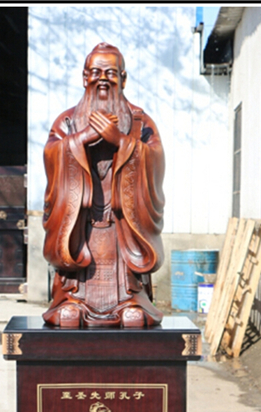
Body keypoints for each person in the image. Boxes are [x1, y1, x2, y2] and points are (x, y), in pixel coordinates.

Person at [42, 43, 166, 328]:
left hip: (121, 225)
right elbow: (52, 154)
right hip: (81, 224)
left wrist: (120, 141)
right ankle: (72, 301)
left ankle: (130, 302)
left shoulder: (140, 122)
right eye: (95, 72)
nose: (102, 79)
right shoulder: (67, 120)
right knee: (71, 308)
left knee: (132, 312)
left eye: (110, 73)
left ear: (123, 78)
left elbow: (156, 159)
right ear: (84, 77)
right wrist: (82, 139)